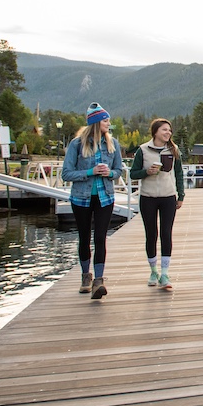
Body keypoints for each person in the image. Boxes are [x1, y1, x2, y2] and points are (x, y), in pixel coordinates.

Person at [62, 102, 124, 299]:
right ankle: (85, 276)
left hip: (105, 198)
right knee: (84, 238)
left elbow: (118, 171)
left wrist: (110, 173)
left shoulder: (113, 144)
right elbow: (66, 173)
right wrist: (90, 172)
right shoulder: (77, 144)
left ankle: (99, 280)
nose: (109, 123)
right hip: (81, 198)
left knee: (100, 238)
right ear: (96, 122)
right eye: (106, 120)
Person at [129, 118, 185, 291]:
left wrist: (180, 195)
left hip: (168, 197)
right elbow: (133, 174)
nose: (168, 133)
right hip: (148, 197)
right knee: (151, 234)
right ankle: (153, 271)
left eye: (169, 130)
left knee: (166, 234)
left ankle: (165, 273)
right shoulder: (143, 150)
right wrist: (147, 172)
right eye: (164, 130)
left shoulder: (173, 150)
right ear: (155, 132)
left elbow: (179, 174)